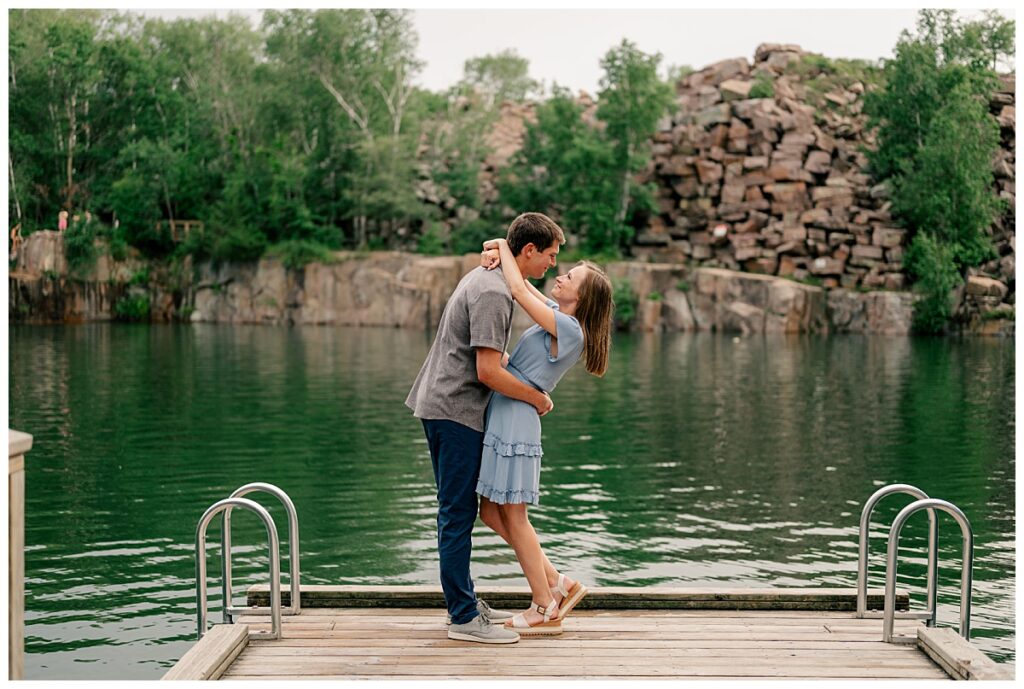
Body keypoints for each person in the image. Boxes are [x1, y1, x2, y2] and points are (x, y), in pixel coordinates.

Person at [405, 212, 565, 644]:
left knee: (459, 511)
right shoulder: (494, 292)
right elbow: (489, 370)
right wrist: (537, 398)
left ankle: (465, 601)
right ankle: (462, 617)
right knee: (456, 513)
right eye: (549, 256)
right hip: (455, 409)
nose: (552, 265)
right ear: (528, 251)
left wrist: (496, 246)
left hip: (445, 405)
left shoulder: (491, 276)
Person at [475, 237, 614, 636]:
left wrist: (503, 244)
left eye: (570, 276)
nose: (561, 274)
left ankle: (543, 605)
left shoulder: (571, 329)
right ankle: (559, 582)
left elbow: (518, 290)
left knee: (515, 516)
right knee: (489, 512)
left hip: (517, 418)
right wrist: (497, 257)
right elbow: (524, 284)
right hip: (506, 411)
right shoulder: (556, 313)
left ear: (582, 297)